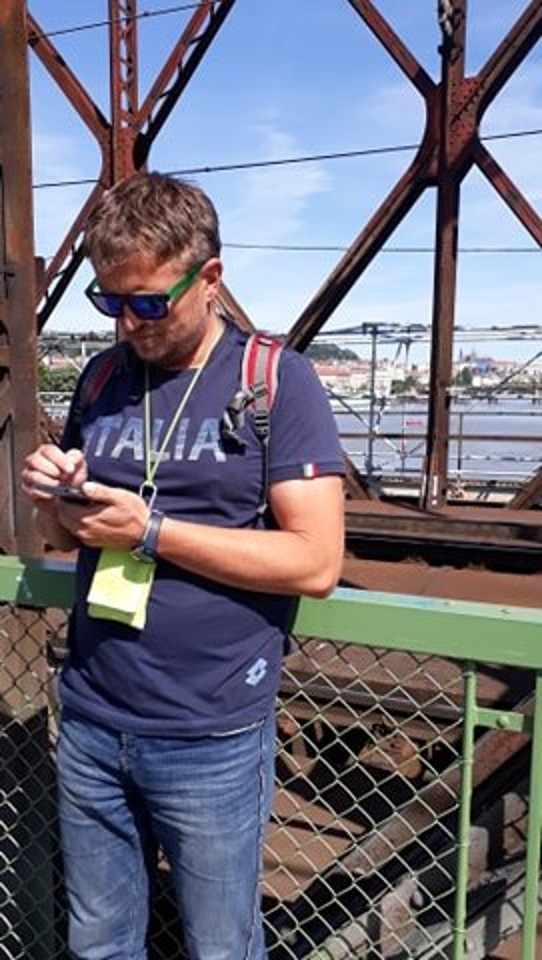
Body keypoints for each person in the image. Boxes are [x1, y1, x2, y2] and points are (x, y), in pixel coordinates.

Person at [22, 171, 345, 960]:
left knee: (221, 947)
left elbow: (316, 562)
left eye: (148, 303)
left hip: (212, 733)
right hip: (92, 716)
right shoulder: (102, 378)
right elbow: (65, 538)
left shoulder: (276, 381)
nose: (128, 323)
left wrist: (151, 532)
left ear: (210, 278)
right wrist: (54, 499)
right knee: (98, 944)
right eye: (109, 302)